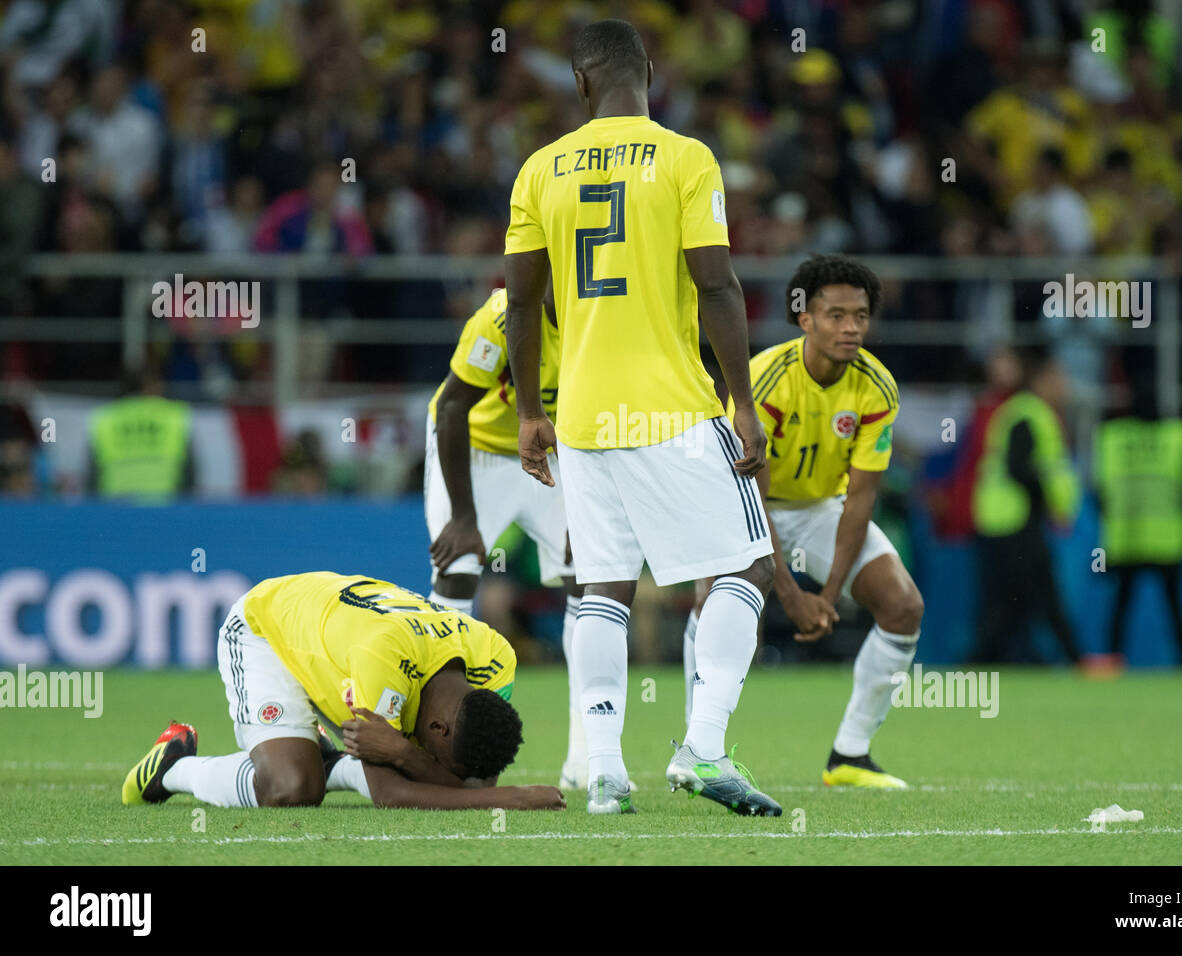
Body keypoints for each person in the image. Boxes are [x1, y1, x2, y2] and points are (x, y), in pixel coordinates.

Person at [503, 19, 779, 816]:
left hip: (584, 416)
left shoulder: (540, 170)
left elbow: (521, 303)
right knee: (747, 567)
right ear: (648, 74)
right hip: (673, 409)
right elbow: (720, 288)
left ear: (580, 84)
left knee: (602, 591)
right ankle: (703, 747)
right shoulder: (686, 159)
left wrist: (531, 412)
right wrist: (743, 402)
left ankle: (605, 770)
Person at [688, 253, 923, 788]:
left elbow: (860, 498)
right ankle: (698, 748)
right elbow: (749, 491)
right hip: (746, 503)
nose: (851, 327)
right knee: (711, 603)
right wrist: (791, 595)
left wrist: (831, 594)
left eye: (860, 316)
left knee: (904, 605)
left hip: (819, 507)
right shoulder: (767, 378)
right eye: (836, 315)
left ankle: (850, 756)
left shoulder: (876, 388)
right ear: (806, 319)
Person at [122, 572, 565, 812]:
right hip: (269, 631)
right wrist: (513, 797)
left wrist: (408, 754)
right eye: (439, 752)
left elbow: (472, 780)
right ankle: (173, 767)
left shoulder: (495, 658)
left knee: (403, 763)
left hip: (336, 641)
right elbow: (391, 793)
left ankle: (328, 757)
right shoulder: (384, 660)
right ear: (436, 727)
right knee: (292, 788)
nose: (438, 763)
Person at [426, 282, 590, 790]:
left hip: (556, 456)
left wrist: (591, 503)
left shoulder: (603, 315)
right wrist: (464, 517)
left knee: (591, 578)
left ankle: (587, 760)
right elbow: (453, 407)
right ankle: (438, 749)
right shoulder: (499, 319)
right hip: (474, 449)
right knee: (456, 570)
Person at [970, 351, 1082, 664]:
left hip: (1007, 518)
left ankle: (981, 661)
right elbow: (1018, 467)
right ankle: (1077, 659)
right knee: (1039, 595)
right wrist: (1050, 503)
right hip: (1014, 518)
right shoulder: (1028, 414)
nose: (1065, 385)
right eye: (1059, 378)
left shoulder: (1024, 412)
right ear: (1041, 380)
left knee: (1014, 601)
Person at [1094, 382, 1182, 668]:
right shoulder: (1177, 436)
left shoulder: (1112, 437)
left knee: (1121, 605)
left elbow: (1099, 493)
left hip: (1126, 538)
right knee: (1175, 606)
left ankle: (1112, 662)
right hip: (1169, 538)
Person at [88, 366, 194, 501]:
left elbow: (91, 477)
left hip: (114, 508)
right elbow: (190, 474)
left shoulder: (105, 418)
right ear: (151, 387)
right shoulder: (174, 415)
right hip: (165, 507)